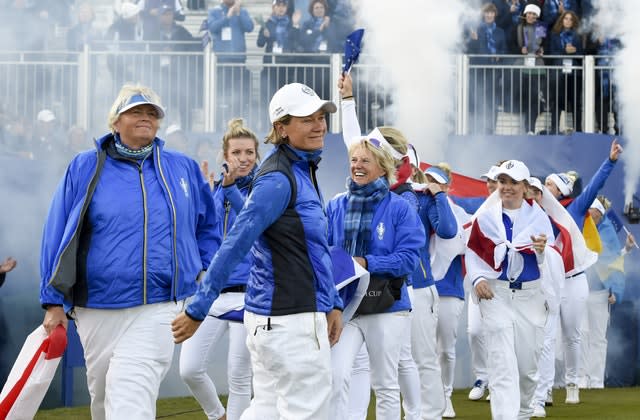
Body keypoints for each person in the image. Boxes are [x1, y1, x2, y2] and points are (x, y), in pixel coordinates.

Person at [39, 84, 219, 420]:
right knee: (105, 400)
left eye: (153, 113)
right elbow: (57, 233)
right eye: (137, 111)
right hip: (95, 306)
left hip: (159, 305)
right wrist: (52, 301)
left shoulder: (182, 167)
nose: (146, 118)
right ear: (115, 121)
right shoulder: (86, 166)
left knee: (131, 395)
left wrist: (200, 271)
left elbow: (209, 227)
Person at [172, 82, 343, 420]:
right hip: (291, 323)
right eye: (307, 119)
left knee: (265, 410)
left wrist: (333, 301)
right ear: (281, 128)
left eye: (321, 116)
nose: (319, 124)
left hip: (280, 320)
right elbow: (236, 241)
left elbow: (315, 250)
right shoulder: (279, 178)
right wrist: (199, 307)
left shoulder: (297, 170)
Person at [326, 134, 425, 420]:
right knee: (336, 375)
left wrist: (366, 262)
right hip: (345, 307)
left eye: (365, 161)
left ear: (382, 168)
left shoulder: (400, 207)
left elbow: (408, 259)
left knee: (385, 384)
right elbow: (323, 253)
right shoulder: (335, 206)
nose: (357, 165)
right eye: (354, 160)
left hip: (387, 305)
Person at [179, 118, 258, 420]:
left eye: (249, 152)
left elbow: (253, 223)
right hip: (209, 292)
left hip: (247, 293)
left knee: (239, 376)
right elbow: (195, 231)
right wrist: (199, 196)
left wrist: (230, 190)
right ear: (225, 155)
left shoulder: (264, 187)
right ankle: (217, 415)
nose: (243, 158)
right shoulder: (210, 187)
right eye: (237, 152)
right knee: (190, 369)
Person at [466, 159, 554, 419]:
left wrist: (541, 252)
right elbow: (473, 253)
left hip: (530, 296)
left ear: (525, 187)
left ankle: (524, 412)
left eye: (514, 182)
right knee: (502, 365)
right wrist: (478, 279)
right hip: (496, 294)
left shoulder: (540, 219)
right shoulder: (485, 218)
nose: (507, 187)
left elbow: (552, 261)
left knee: (527, 370)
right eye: (503, 181)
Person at [544, 138, 622, 404]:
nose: (544, 188)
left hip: (574, 280)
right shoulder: (535, 210)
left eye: (550, 185)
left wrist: (611, 161)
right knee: (545, 335)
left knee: (572, 336)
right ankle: (544, 389)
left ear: (562, 191)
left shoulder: (576, 208)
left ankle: (572, 384)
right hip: (548, 282)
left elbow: (595, 185)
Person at [429, 164, 470, 419]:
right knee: (424, 349)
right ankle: (430, 397)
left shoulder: (461, 214)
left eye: (438, 182)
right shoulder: (416, 209)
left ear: (447, 186)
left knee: (446, 349)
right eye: (428, 180)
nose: (432, 186)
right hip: (422, 288)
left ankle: (445, 395)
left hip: (449, 289)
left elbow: (466, 246)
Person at [206, 0, 255, 130]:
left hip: (239, 61)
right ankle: (218, 126)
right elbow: (212, 27)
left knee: (239, 96)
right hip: (222, 62)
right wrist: (227, 17)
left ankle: (238, 126)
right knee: (222, 96)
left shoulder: (242, 11)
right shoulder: (215, 11)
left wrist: (238, 14)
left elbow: (250, 27)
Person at [512, 2, 547, 134]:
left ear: (537, 16)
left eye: (534, 14)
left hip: (537, 67)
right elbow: (512, 45)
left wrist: (543, 50)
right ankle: (524, 128)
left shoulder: (542, 28)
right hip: (521, 67)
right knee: (523, 98)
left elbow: (545, 44)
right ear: (525, 14)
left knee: (534, 99)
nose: (531, 16)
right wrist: (519, 49)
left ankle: (530, 129)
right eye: (529, 13)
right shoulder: (518, 27)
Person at [548, 10, 582, 133]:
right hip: (558, 73)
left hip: (574, 74)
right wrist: (565, 52)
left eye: (570, 19)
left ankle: (578, 130)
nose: (568, 21)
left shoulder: (577, 36)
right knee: (556, 102)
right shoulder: (554, 35)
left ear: (573, 22)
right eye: (566, 18)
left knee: (575, 103)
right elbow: (551, 53)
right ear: (562, 20)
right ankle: (554, 129)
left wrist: (575, 52)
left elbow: (582, 55)